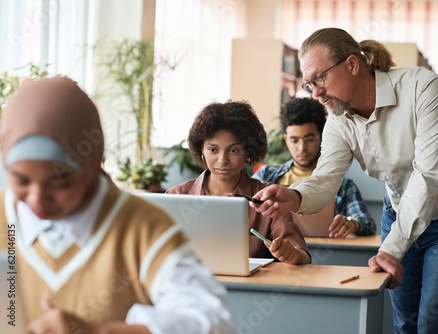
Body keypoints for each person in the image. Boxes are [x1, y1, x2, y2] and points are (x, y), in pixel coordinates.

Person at [250, 28, 438, 334]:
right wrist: (294, 196)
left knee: (432, 326)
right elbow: (325, 180)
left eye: (319, 78)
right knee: (405, 324)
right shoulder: (338, 119)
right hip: (398, 214)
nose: (316, 92)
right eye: (309, 85)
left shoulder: (423, 88)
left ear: (352, 64)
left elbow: (428, 178)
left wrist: (390, 249)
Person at [0, 77, 235, 334]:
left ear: (90, 164)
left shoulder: (141, 227)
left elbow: (214, 323)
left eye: (60, 181)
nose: (36, 198)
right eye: (20, 179)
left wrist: (98, 331)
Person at [166, 101, 311, 265]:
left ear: (247, 152)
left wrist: (292, 254)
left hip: (248, 289)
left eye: (233, 150)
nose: (223, 160)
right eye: (213, 149)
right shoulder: (175, 196)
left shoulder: (269, 199)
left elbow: (302, 257)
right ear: (202, 150)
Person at [252, 97, 376, 238]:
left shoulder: (342, 185)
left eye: (309, 139)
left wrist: (351, 223)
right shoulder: (265, 176)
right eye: (294, 140)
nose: (302, 148)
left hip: (323, 255)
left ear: (323, 137)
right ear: (286, 141)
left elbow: (367, 224)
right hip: (273, 252)